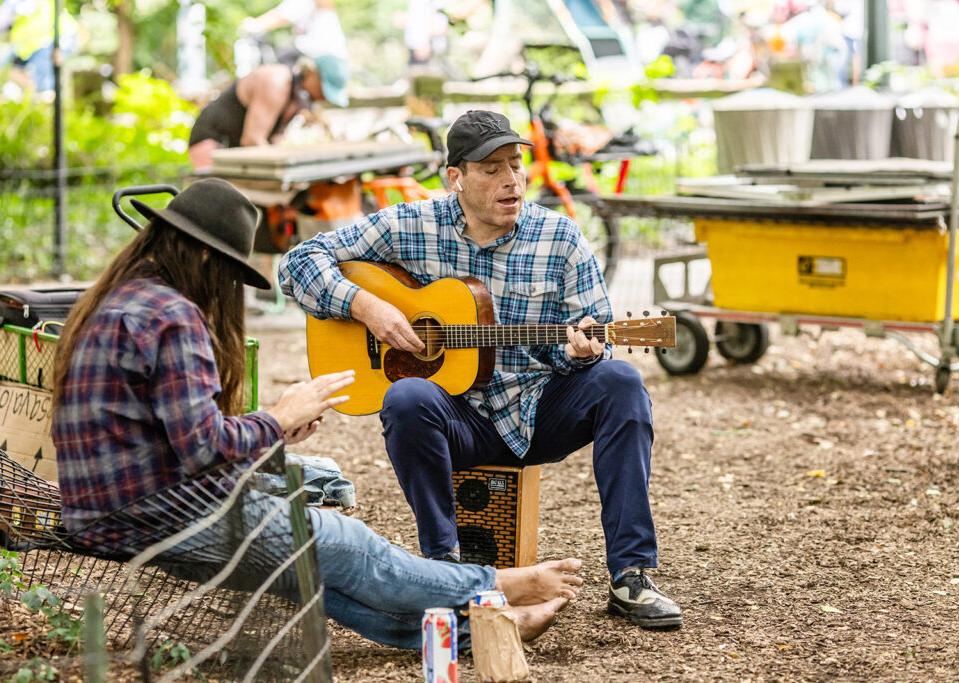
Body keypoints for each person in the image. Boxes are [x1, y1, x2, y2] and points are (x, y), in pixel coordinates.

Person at [49, 177, 583, 650]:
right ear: (208, 258)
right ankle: (495, 585)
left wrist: (269, 431)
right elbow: (202, 448)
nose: (229, 289)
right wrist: (278, 419)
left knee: (311, 576)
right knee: (342, 542)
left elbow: (173, 432)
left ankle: (481, 628)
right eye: (233, 273)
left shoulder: (121, 299)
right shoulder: (172, 317)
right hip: (156, 516)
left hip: (110, 512)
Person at [278, 110, 682, 629]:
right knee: (405, 397)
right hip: (456, 419)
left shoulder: (559, 239)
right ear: (456, 178)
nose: (510, 179)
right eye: (491, 169)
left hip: (537, 413)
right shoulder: (410, 224)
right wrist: (367, 307)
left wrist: (582, 351)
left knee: (622, 382)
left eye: (515, 164)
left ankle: (632, 575)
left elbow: (591, 332)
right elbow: (298, 263)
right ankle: (443, 570)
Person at [187, 56, 349, 171]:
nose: (324, 98)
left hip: (238, 149)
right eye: (324, 88)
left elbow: (274, 139)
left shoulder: (298, 97)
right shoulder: (276, 81)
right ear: (312, 73)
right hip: (212, 142)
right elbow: (252, 139)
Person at [0, 0, 78, 93]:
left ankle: (44, 104)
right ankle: (32, 97)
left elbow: (8, 12)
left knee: (43, 84)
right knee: (6, 67)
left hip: (50, 40)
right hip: (28, 45)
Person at [239, 0, 348, 66]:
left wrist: (254, 24)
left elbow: (281, 15)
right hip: (334, 54)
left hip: (317, 52)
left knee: (277, 70)